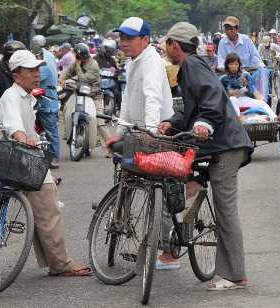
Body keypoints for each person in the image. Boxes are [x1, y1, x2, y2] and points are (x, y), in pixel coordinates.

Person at [159, 22, 253, 290]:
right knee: (189, 180)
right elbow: (191, 109)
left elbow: (212, 100)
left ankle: (235, 275)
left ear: (174, 45)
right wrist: (172, 122)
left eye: (167, 45)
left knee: (226, 212)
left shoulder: (191, 66)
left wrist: (206, 124)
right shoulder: (191, 66)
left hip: (226, 146)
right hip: (217, 146)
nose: (166, 49)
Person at [0, 49, 92, 276]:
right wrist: (24, 138)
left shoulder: (27, 96)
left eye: (37, 69)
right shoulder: (12, 95)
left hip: (24, 155)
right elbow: (14, 127)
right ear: (16, 74)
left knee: (43, 209)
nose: (37, 74)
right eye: (31, 70)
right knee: (48, 207)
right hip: (20, 158)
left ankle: (55, 261)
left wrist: (34, 140)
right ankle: (60, 263)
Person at [106, 17, 174, 268]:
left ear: (145, 40)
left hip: (156, 131)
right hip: (137, 131)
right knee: (131, 176)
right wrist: (119, 132)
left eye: (129, 38)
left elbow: (152, 98)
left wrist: (151, 132)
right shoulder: (132, 62)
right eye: (121, 38)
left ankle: (168, 250)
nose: (123, 43)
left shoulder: (152, 62)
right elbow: (126, 100)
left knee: (160, 191)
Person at [60, 43, 109, 147]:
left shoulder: (93, 65)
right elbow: (68, 72)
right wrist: (61, 79)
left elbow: (83, 79)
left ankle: (112, 147)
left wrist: (77, 66)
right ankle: (67, 132)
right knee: (66, 109)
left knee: (99, 121)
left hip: (94, 95)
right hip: (79, 93)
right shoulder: (77, 62)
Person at [220, 53, 279, 121]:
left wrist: (247, 86)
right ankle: (239, 118)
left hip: (244, 99)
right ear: (227, 65)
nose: (234, 66)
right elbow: (220, 95)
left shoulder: (245, 75)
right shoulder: (223, 79)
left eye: (236, 64)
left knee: (262, 103)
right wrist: (229, 93)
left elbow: (253, 91)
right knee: (233, 99)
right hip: (231, 102)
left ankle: (275, 118)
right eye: (231, 64)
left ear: (239, 65)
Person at [32, 35, 61, 169]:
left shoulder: (44, 64)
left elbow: (37, 79)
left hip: (47, 102)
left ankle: (54, 157)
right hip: (44, 100)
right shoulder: (48, 55)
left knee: (51, 131)